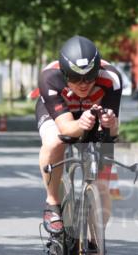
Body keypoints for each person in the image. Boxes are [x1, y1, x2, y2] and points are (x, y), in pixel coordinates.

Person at [36, 35, 121, 235]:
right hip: (59, 115)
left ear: (97, 71)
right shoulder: (49, 77)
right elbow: (66, 128)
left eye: (89, 77)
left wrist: (110, 123)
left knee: (102, 187)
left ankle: (95, 241)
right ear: (64, 73)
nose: (83, 84)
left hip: (92, 113)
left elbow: (112, 132)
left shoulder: (111, 78)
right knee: (54, 142)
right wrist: (80, 124)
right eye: (74, 78)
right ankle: (53, 203)